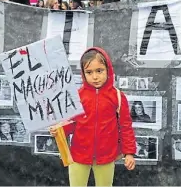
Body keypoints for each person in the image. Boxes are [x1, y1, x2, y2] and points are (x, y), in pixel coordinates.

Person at [50, 48, 136, 187]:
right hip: (79, 155)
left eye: (99, 70)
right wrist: (59, 130)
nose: (95, 77)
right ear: (83, 74)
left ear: (108, 69)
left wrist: (129, 153)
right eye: (89, 72)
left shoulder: (118, 96)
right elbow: (73, 123)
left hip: (107, 156)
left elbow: (125, 126)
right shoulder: (78, 96)